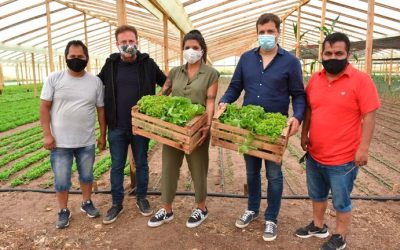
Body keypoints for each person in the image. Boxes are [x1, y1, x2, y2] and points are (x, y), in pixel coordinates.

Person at [218, 13, 306, 241]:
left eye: (270, 31)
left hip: (275, 129)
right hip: (250, 126)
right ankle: (252, 209)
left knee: (274, 175)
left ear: (278, 32)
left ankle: (271, 218)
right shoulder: (246, 59)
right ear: (257, 33)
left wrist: (297, 117)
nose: (266, 36)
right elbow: (235, 87)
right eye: (262, 32)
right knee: (251, 171)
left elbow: (298, 95)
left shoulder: (291, 62)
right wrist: (225, 101)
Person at [295, 32, 380, 250]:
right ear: (322, 54)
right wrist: (305, 134)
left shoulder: (361, 80)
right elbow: (310, 109)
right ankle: (318, 225)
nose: (333, 57)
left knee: (341, 200)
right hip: (315, 153)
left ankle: (340, 236)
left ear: (348, 54)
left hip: (343, 159)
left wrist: (364, 148)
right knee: (317, 194)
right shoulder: (316, 79)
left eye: (338, 53)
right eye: (328, 53)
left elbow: (369, 116)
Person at [147, 30, 219, 228]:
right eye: (187, 47)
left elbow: (210, 102)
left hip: (197, 128)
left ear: (202, 50)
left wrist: (208, 124)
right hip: (173, 128)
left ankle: (201, 208)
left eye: (195, 48)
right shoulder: (175, 72)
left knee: (198, 168)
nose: (191, 51)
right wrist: (147, 106)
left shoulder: (211, 74)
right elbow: (162, 94)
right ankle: (167, 209)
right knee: (169, 167)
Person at [98, 25, 166, 224]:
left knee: (142, 163)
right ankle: (116, 203)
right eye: (124, 42)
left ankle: (142, 198)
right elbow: (95, 85)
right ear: (117, 44)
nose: (128, 45)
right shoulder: (110, 65)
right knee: (117, 166)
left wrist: (156, 103)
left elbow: (167, 83)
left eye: (131, 41)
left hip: (140, 126)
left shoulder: (147, 64)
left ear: (137, 41)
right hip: (117, 126)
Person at [40, 40, 106, 229]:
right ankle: (63, 210)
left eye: (80, 57)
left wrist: (102, 135)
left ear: (86, 58)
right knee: (61, 179)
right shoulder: (54, 79)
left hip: (86, 141)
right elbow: (44, 108)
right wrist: (47, 134)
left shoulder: (95, 82)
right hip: (60, 143)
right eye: (73, 57)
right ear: (66, 58)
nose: (76, 60)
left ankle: (86, 202)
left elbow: (101, 110)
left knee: (86, 176)